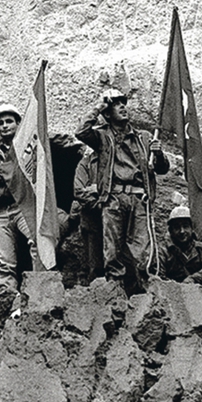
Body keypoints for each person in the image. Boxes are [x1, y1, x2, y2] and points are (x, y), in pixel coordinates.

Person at [74, 88, 169, 293]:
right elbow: (81, 131)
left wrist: (159, 154)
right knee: (112, 248)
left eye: (123, 103)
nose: (123, 107)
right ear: (108, 113)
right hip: (114, 198)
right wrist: (99, 107)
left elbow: (162, 169)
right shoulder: (102, 136)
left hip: (139, 198)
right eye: (116, 104)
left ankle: (143, 291)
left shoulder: (144, 138)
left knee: (142, 249)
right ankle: (114, 291)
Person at [0, 104, 36, 293]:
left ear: (18, 124)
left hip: (23, 207)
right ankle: (8, 294)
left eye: (9, 121)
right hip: (0, 211)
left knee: (37, 243)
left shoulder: (28, 151)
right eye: (0, 123)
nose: (4, 126)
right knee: (4, 260)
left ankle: (37, 288)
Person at [159, 206, 202, 282]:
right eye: (177, 227)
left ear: (192, 228)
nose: (182, 231)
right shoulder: (163, 252)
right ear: (171, 231)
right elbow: (159, 280)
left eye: (185, 226)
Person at [72, 148, 104, 283]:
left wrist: (97, 188)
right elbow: (79, 191)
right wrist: (100, 204)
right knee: (94, 262)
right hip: (93, 217)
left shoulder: (115, 160)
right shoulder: (85, 164)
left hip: (116, 216)